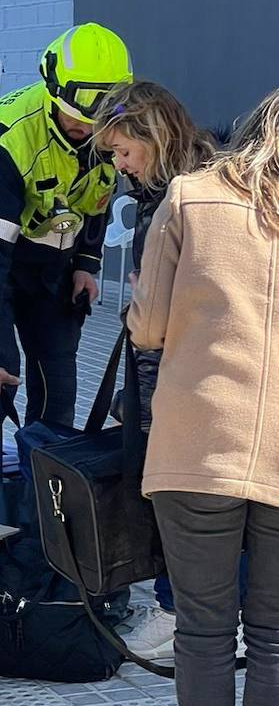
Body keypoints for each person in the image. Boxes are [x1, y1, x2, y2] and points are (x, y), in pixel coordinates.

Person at [129, 89, 279, 706]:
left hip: (197, 446)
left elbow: (148, 326)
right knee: (276, 638)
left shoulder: (187, 197)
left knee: (205, 630)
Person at [0, 23, 132, 456]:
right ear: (52, 94)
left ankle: (45, 490)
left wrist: (87, 262)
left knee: (58, 380)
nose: (87, 132)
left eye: (98, 123)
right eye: (78, 120)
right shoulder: (9, 137)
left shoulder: (109, 129)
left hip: (54, 260)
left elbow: (98, 199)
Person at [94, 81, 216, 663]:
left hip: (175, 371)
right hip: (217, 369)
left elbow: (156, 317)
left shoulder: (175, 203)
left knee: (171, 497)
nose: (119, 166)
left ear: (152, 136)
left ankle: (176, 613)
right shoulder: (219, 176)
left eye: (123, 152)